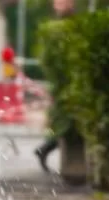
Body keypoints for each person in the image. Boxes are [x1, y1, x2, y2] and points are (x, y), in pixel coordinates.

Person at [35, 0, 75, 172]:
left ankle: (45, 148)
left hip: (70, 82)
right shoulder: (54, 27)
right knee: (65, 122)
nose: (61, 4)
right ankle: (46, 147)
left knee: (67, 122)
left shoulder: (73, 24)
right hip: (62, 84)